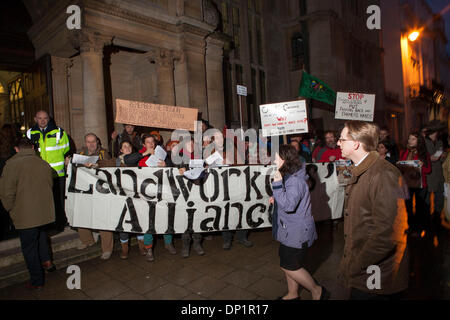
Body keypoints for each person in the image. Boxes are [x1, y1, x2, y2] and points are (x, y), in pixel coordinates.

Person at [336, 121, 409, 300]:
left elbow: (389, 232)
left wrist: (357, 263)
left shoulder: (383, 174)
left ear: (356, 143)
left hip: (376, 272)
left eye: (341, 139)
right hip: (365, 269)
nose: (338, 143)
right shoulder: (363, 168)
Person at [269, 144, 327, 300]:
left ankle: (316, 290)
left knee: (289, 266)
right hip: (290, 230)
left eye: (277, 157)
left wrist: (277, 185)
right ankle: (293, 294)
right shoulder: (292, 175)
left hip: (296, 232)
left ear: (285, 159)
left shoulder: (294, 180)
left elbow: (289, 205)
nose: (274, 160)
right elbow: (290, 200)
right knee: (289, 264)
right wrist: (277, 199)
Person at [0, 138, 56, 290]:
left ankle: (37, 280)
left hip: (25, 214)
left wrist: (11, 209)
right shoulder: (43, 163)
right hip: (43, 212)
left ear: (17, 149)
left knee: (29, 247)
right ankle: (47, 262)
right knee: (40, 235)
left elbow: (6, 193)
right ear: (32, 147)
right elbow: (49, 185)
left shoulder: (11, 165)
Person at [97, 141, 147, 259]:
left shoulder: (138, 160)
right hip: (121, 198)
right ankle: (125, 249)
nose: (128, 148)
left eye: (129, 146)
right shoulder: (116, 161)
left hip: (136, 197)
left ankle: (142, 246)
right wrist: (93, 164)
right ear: (120, 150)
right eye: (125, 146)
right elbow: (103, 163)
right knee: (123, 222)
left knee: (139, 221)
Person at [130, 134, 175, 261]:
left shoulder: (162, 154)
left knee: (166, 218)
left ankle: (168, 243)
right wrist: (145, 154)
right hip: (146, 195)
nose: (150, 144)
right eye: (148, 142)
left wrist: (166, 165)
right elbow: (128, 161)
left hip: (162, 192)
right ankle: (149, 248)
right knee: (148, 221)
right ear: (144, 145)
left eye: (152, 142)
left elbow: (173, 168)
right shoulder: (139, 155)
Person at [27, 110, 71, 232]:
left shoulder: (59, 132)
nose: (42, 120)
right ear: (35, 119)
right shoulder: (30, 133)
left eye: (45, 118)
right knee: (44, 201)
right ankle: (47, 225)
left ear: (49, 119)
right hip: (39, 175)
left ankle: (60, 224)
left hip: (57, 174)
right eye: (40, 118)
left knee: (59, 200)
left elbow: (66, 148)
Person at [75, 133, 114, 260]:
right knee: (81, 215)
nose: (91, 144)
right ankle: (87, 240)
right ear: (85, 143)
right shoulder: (80, 153)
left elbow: (110, 163)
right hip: (84, 190)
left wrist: (99, 164)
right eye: (88, 142)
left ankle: (107, 248)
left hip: (100, 190)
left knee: (103, 219)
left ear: (97, 142)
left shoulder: (103, 152)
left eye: (93, 142)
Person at [399, 131, 432, 236]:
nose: (410, 141)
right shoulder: (404, 152)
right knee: (408, 207)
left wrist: (422, 166)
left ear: (419, 141)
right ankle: (411, 227)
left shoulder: (423, 154)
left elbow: (428, 170)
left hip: (420, 185)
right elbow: (401, 166)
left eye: (413, 139)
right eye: (409, 139)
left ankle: (418, 229)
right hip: (407, 184)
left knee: (419, 207)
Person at [424, 122, 447, 228]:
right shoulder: (424, 142)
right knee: (427, 198)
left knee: (439, 197)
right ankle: (427, 219)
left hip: (438, 173)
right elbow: (423, 157)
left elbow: (441, 157)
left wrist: (443, 156)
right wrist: (431, 158)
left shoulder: (439, 142)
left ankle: (437, 217)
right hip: (428, 174)